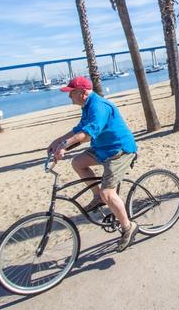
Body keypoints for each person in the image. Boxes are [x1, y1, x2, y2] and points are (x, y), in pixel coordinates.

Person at [48, 76, 138, 252]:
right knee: (78, 162)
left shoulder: (99, 107)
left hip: (119, 151)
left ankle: (128, 227)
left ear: (82, 92)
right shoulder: (87, 106)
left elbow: (87, 134)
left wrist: (64, 146)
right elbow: (78, 130)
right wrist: (57, 141)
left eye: (71, 93)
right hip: (102, 149)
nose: (69, 97)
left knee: (108, 193)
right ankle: (98, 197)